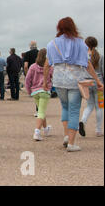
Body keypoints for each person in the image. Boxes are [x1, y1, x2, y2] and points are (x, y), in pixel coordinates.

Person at [44, 17, 103, 152]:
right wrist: (98, 81)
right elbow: (87, 65)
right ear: (73, 27)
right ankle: (71, 143)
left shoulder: (52, 44)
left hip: (58, 81)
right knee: (74, 110)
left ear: (59, 28)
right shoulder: (81, 44)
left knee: (65, 107)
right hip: (75, 81)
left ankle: (66, 136)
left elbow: (47, 65)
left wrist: (44, 82)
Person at [25, 48, 53, 141]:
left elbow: (27, 80)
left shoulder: (33, 66)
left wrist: (29, 91)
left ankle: (45, 129)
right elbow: (54, 78)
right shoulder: (49, 67)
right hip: (44, 91)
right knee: (41, 112)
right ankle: (37, 132)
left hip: (35, 92)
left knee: (41, 111)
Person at [79, 36, 104, 137]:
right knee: (100, 107)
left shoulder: (83, 56)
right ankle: (98, 130)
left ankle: (83, 121)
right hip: (98, 84)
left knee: (89, 105)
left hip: (86, 83)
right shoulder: (100, 56)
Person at [23, 41, 40, 116]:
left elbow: (26, 66)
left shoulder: (27, 54)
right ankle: (40, 109)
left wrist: (27, 75)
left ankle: (38, 111)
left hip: (32, 74)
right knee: (41, 91)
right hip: (41, 74)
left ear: (30, 46)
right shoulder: (40, 53)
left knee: (35, 92)